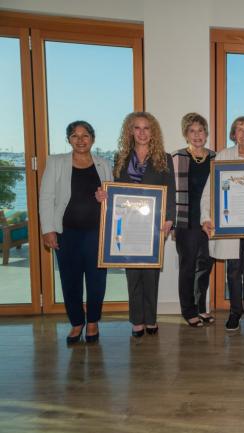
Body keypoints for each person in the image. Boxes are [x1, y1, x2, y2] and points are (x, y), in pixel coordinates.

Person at [39, 121, 113, 344]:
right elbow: (46, 197)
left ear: (93, 138)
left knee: (96, 280)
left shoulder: (104, 164)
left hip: (97, 233)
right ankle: (76, 323)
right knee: (70, 280)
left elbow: (113, 196)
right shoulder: (56, 162)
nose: (80, 140)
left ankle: (92, 322)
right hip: (66, 233)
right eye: (74, 135)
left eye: (85, 135)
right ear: (68, 139)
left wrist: (106, 197)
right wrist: (48, 230)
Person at [200, 116, 244, 332]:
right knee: (233, 269)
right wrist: (206, 217)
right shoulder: (223, 156)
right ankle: (234, 311)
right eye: (239, 130)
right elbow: (209, 191)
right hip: (229, 222)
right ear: (233, 134)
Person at [113, 112, 176, 338]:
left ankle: (151, 319)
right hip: (128, 225)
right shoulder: (120, 157)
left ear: (153, 132)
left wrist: (170, 218)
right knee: (133, 273)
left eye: (146, 128)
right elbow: (115, 192)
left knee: (151, 274)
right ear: (130, 131)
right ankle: (136, 320)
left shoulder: (164, 158)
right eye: (137, 128)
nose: (141, 132)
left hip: (154, 224)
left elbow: (170, 189)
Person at [172, 113, 216, 328]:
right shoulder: (177, 157)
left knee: (205, 266)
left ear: (206, 133)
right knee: (188, 267)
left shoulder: (217, 158)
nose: (197, 135)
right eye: (192, 131)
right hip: (185, 221)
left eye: (201, 130)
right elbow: (170, 191)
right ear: (185, 134)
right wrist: (170, 220)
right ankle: (188, 310)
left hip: (210, 222)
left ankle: (200, 308)